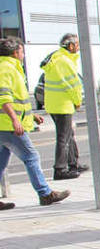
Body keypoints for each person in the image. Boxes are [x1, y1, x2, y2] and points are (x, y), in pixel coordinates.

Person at [0, 37, 70, 208]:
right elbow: (3, 97)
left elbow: (18, 101)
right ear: (16, 52)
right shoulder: (6, 69)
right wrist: (16, 120)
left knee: (1, 163)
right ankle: (45, 193)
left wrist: (30, 116)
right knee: (31, 157)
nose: (24, 55)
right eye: (23, 51)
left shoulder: (9, 68)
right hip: (8, 126)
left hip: (4, 124)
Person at [43, 33, 87, 180]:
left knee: (69, 135)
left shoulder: (57, 58)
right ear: (71, 46)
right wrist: (77, 100)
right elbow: (73, 84)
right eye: (77, 45)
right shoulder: (64, 61)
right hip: (62, 105)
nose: (79, 48)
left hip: (55, 104)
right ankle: (60, 169)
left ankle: (73, 163)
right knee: (63, 137)